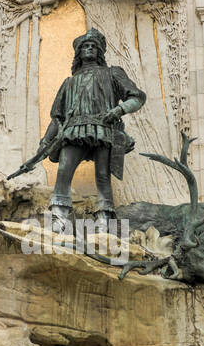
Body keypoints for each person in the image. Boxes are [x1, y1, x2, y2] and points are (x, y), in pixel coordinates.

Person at [10, 28, 146, 227]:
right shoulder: (69, 82)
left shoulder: (112, 73)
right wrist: (44, 144)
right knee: (64, 169)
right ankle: (58, 214)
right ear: (79, 53)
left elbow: (137, 97)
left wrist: (118, 111)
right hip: (74, 130)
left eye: (93, 46)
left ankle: (104, 217)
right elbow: (57, 118)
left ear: (99, 52)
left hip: (103, 128)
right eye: (85, 46)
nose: (89, 49)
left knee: (102, 175)